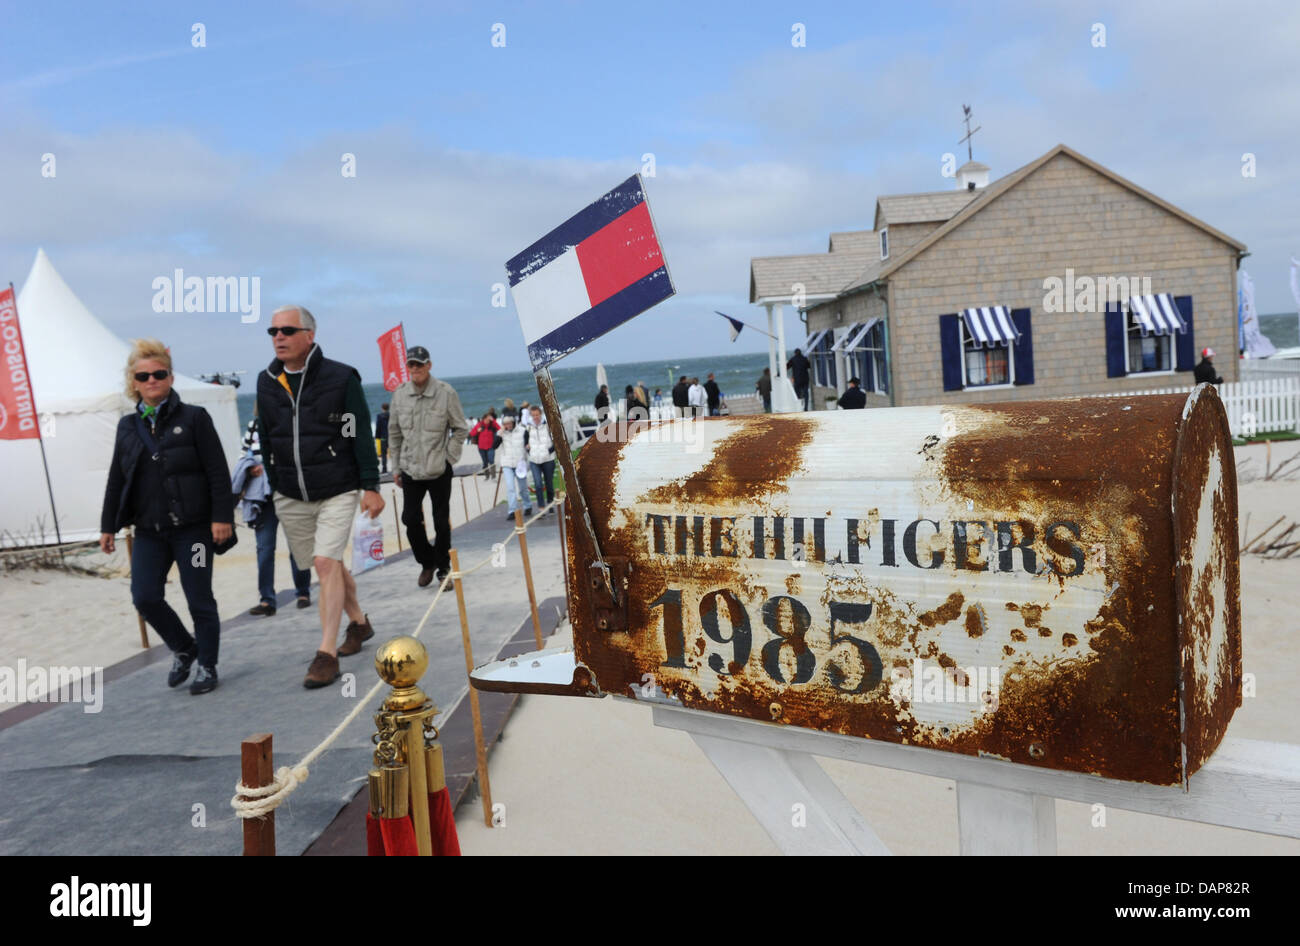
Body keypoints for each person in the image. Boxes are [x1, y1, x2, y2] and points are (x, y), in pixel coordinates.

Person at [256, 305, 385, 690]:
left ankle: (326, 653)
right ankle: (359, 624)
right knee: (325, 565)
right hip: (290, 492)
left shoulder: (341, 377)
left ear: (309, 335)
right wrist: (275, 480)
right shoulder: (266, 381)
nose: (279, 337)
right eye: (273, 331)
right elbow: (265, 435)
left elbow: (359, 433)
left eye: (287, 330)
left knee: (326, 564)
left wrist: (370, 485)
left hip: (337, 486)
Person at [100, 339, 232, 696]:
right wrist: (107, 525)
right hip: (148, 532)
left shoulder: (195, 419)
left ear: (171, 377)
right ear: (134, 382)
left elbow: (218, 472)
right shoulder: (128, 426)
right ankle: (184, 647)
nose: (152, 380)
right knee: (144, 596)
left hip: (194, 530)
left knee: (199, 598)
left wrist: (222, 517)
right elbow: (116, 477)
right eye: (144, 376)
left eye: (159, 373)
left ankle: (207, 664)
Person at [390, 345, 470, 590]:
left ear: (429, 366)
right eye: (411, 365)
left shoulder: (446, 393)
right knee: (409, 519)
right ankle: (427, 561)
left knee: (440, 521)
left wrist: (449, 458)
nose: (415, 369)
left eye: (419, 364)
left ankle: (444, 568)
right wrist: (395, 467)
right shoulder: (400, 394)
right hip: (410, 468)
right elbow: (394, 433)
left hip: (438, 468)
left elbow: (460, 429)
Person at [233, 414, 311, 616]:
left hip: (290, 491)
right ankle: (267, 599)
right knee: (265, 549)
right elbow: (243, 455)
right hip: (263, 498)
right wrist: (250, 468)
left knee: (297, 545)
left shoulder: (293, 420)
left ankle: (303, 592)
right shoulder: (254, 424)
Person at [496, 412, 531, 519]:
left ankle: (527, 505)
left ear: (513, 422)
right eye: (505, 424)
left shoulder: (522, 431)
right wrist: (499, 434)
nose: (507, 426)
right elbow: (494, 446)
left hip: (520, 463)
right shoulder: (501, 433)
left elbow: (528, 444)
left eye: (509, 423)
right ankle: (512, 511)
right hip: (507, 463)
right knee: (510, 487)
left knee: (523, 488)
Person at [525, 404, 557, 512]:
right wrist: (528, 449)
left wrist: (549, 451)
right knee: (538, 484)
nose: (535, 417)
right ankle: (541, 507)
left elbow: (556, 441)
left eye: (537, 414)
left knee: (549, 484)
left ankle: (550, 504)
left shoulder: (548, 425)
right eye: (533, 415)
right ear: (531, 416)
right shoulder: (528, 427)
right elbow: (525, 442)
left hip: (548, 459)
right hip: (534, 460)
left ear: (540, 414)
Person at [468, 412, 500, 478]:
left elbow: (499, 428)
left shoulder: (492, 425)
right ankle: (487, 476)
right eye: (487, 419)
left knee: (491, 461)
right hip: (481, 447)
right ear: (484, 419)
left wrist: (493, 420)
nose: (488, 421)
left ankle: (493, 476)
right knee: (485, 462)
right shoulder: (479, 425)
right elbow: (471, 434)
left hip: (491, 446)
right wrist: (477, 430)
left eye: (489, 419)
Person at [375, 403, 391, 473]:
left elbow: (378, 427)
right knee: (395, 453)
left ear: (382, 408)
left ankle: (384, 468)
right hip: (391, 437)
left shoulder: (379, 416)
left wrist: (377, 437)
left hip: (383, 437)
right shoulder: (391, 415)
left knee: (383, 454)